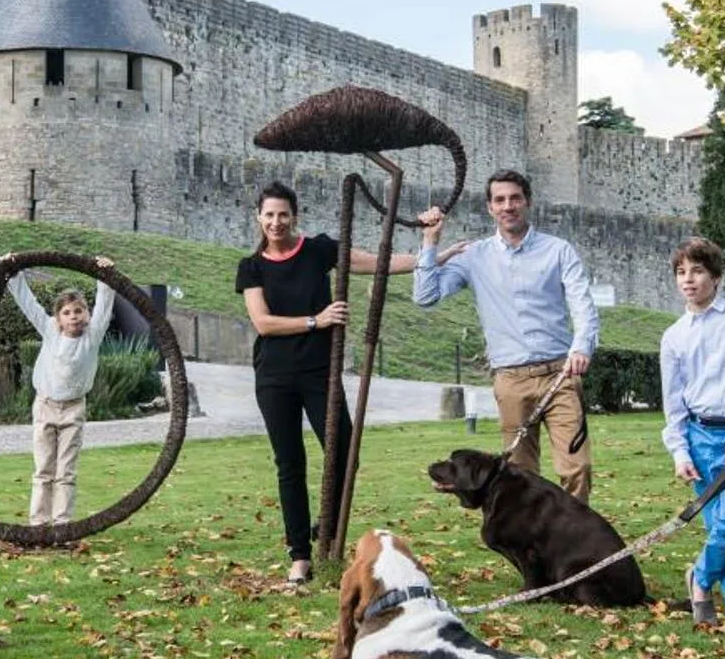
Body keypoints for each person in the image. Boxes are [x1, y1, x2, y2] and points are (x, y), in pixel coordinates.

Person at [236, 181, 418, 583]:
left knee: (344, 453)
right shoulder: (251, 266)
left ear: (294, 215)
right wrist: (316, 320)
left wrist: (427, 258)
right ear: (258, 218)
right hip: (274, 377)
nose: (276, 222)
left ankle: (327, 525)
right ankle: (300, 554)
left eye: (283, 214)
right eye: (269, 215)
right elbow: (263, 323)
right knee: (290, 464)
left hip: (319, 374)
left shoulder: (317, 250)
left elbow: (372, 261)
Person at [413, 170, 601, 499]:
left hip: (560, 375)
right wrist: (430, 242)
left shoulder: (558, 250)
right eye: (499, 200)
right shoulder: (474, 256)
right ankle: (532, 546)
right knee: (520, 478)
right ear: (489, 207)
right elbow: (425, 296)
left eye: (515, 198)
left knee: (576, 468)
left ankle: (575, 543)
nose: (508, 206)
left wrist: (582, 346)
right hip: (511, 380)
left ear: (527, 202)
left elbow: (583, 304)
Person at [659, 237, 725, 635]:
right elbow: (673, 404)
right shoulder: (673, 337)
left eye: (697, 271)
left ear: (716, 277)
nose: (689, 279)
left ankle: (699, 580)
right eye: (682, 272)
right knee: (720, 527)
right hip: (699, 437)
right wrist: (679, 452)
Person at [10, 263, 117, 528]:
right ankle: (39, 523)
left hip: (74, 408)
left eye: (79, 311)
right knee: (44, 469)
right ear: (58, 318)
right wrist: (13, 273)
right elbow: (29, 305)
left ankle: (62, 524)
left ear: (88, 315)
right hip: (45, 405)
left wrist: (104, 276)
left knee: (66, 471)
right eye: (67, 313)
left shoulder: (92, 336)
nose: (73, 317)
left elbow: (105, 305)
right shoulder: (50, 331)